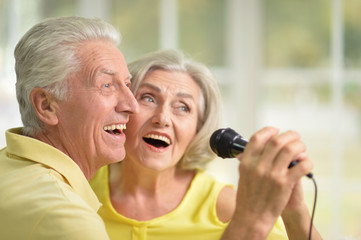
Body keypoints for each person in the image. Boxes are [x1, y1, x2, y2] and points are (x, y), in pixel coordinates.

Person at [90, 49, 322, 240]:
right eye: (148, 98)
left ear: (198, 130)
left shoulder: (227, 206)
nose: (162, 118)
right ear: (124, 108)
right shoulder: (79, 187)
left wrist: (295, 213)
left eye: (182, 107)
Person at [0, 16, 139, 239]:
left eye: (127, 84)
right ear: (46, 105)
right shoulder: (69, 220)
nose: (132, 105)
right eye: (106, 85)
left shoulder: (8, 166)